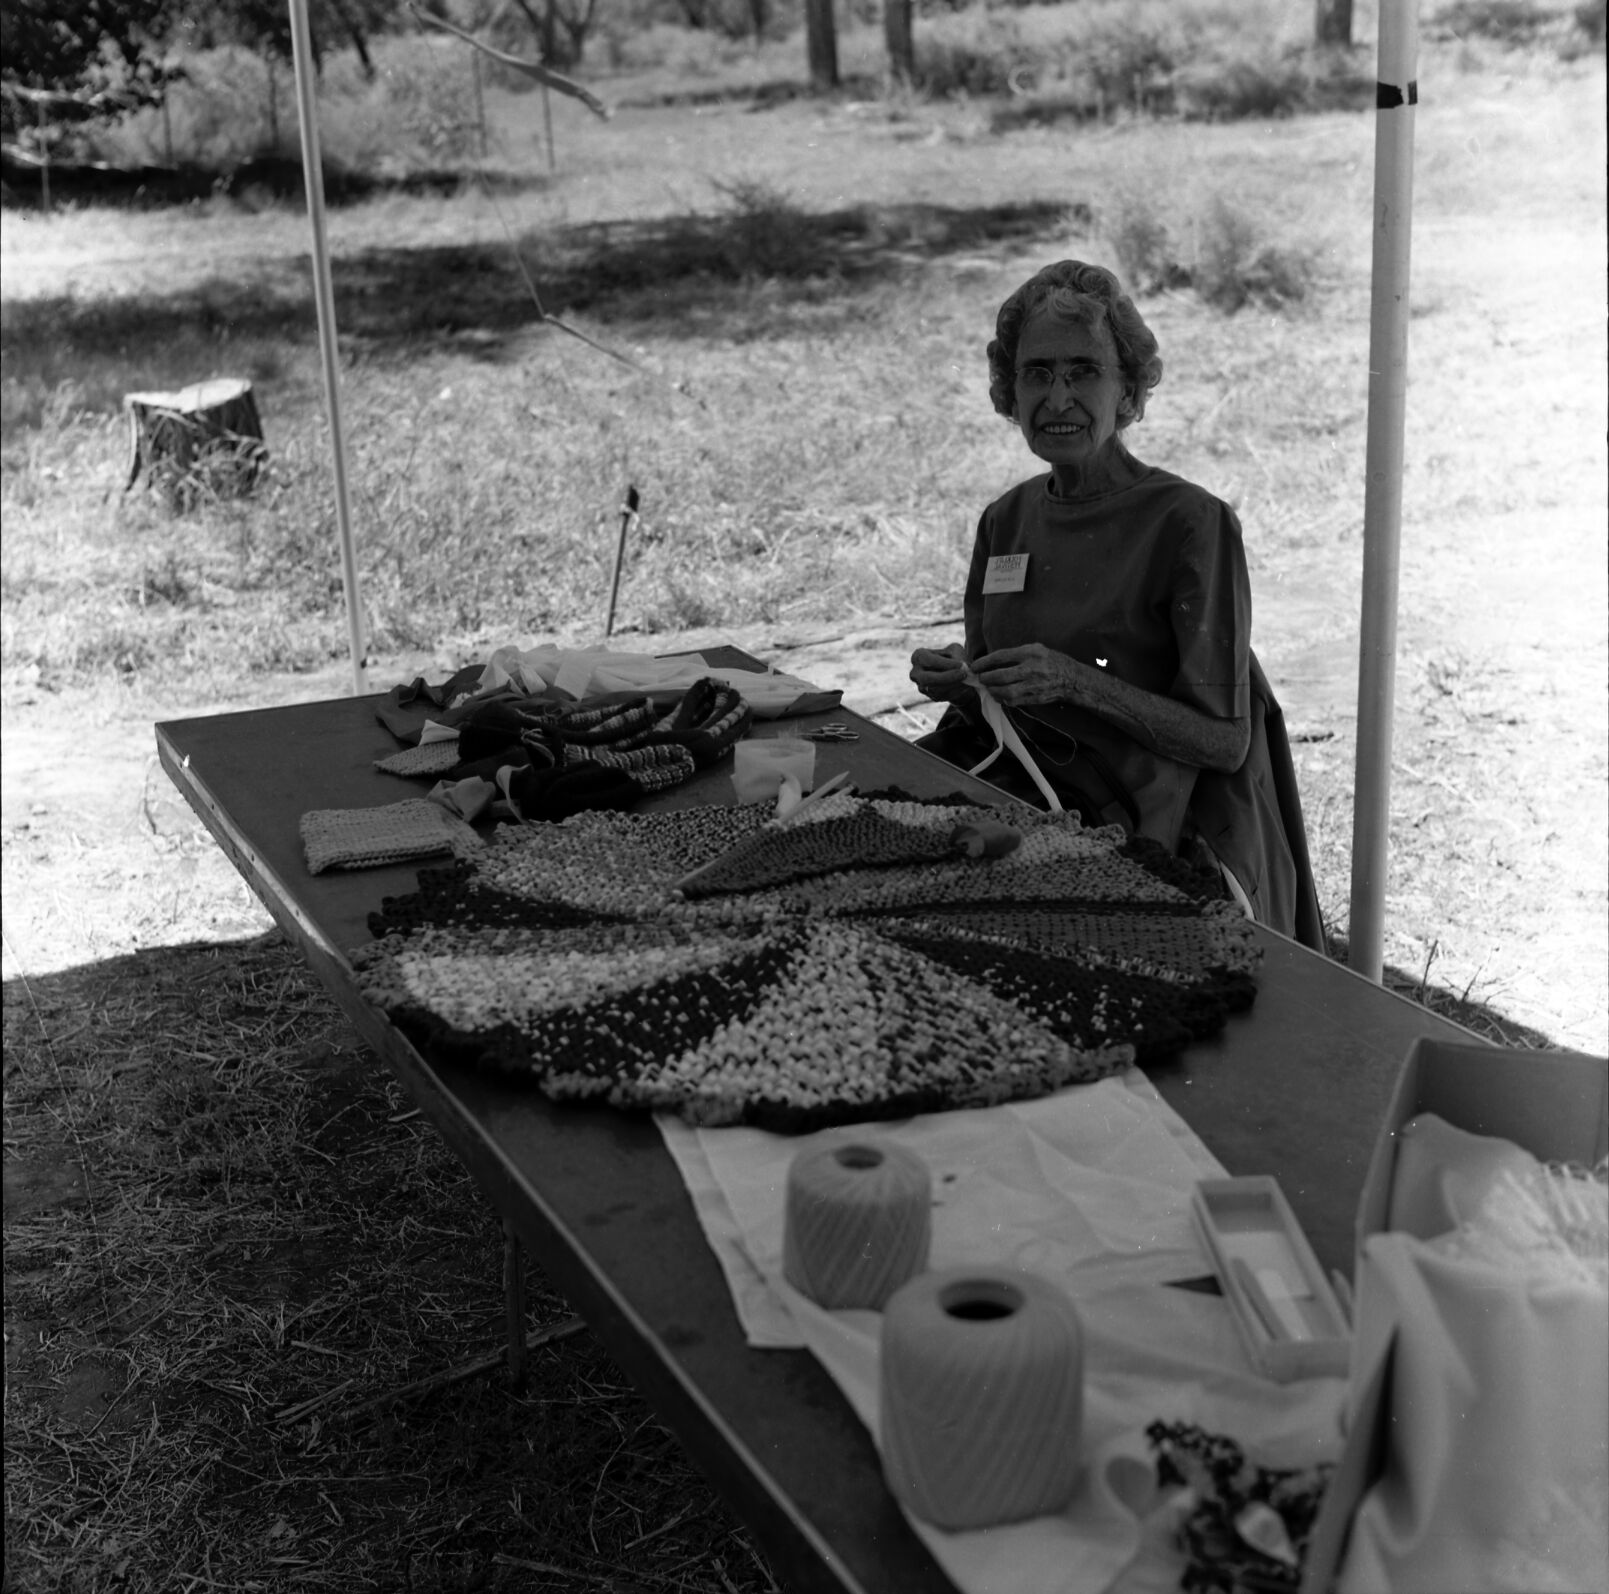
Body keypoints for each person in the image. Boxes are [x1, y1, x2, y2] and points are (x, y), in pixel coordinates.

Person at [910, 259, 1323, 949]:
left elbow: (1222, 742)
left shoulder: (1190, 523)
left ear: (1128, 391)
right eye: (1036, 374)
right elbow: (992, 692)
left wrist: (1076, 682)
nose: (1058, 397)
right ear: (1008, 394)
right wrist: (958, 677)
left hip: (1150, 823)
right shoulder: (1004, 520)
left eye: (1083, 372)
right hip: (1026, 796)